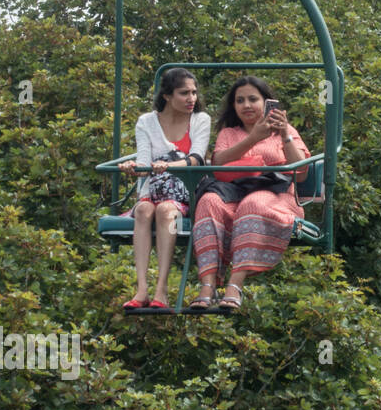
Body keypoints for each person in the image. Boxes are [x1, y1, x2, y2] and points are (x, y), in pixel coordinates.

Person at [189, 76, 310, 311]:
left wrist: (284, 133)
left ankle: (234, 285)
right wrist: (254, 138)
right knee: (208, 201)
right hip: (235, 192)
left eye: (253, 99)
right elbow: (218, 163)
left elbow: (302, 171)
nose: (246, 105)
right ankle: (208, 284)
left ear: (266, 103)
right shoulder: (229, 133)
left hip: (276, 194)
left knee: (253, 204)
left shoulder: (285, 131)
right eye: (240, 100)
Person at [119, 67, 210, 309]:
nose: (191, 98)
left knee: (165, 211)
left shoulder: (200, 120)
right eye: (184, 93)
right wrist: (133, 167)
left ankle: (161, 290)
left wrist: (169, 165)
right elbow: (143, 161)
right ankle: (141, 290)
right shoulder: (147, 122)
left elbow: (197, 158)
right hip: (154, 189)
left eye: (193, 92)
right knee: (142, 211)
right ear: (167, 96)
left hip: (184, 190)